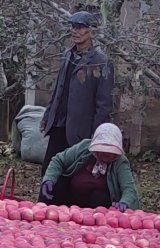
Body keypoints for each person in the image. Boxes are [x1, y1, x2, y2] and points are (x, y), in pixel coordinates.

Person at [40, 11, 114, 175]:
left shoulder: (101, 62)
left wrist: (95, 136)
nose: (75, 31)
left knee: (72, 176)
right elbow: (58, 89)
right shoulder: (67, 55)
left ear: (91, 31)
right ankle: (45, 201)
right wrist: (47, 115)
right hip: (58, 125)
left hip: (80, 131)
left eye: (81, 27)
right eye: (73, 26)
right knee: (49, 172)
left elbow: (104, 105)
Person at [40, 123, 140, 211]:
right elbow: (58, 160)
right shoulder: (84, 147)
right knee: (57, 184)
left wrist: (124, 203)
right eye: (103, 150)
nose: (106, 154)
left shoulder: (120, 162)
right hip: (72, 197)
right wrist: (49, 179)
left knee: (99, 197)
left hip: (98, 208)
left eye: (110, 151)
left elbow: (129, 189)